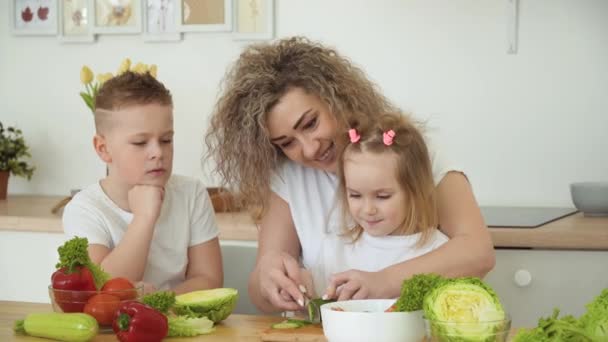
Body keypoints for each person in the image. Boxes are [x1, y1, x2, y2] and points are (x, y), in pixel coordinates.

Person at [205, 36, 494, 313]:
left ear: (336, 97)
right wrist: (270, 279)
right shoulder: (288, 178)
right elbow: (259, 290)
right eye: (287, 143)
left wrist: (383, 282)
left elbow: (477, 251)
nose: (308, 149)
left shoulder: (412, 154)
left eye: (310, 123)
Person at [64, 71, 223, 294]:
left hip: (176, 321)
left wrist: (156, 301)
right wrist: (144, 218)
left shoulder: (191, 192)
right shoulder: (84, 209)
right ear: (103, 148)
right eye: (140, 143)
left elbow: (209, 279)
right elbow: (102, 288)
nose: (158, 152)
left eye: (166, 139)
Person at [305, 113, 449, 300]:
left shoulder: (438, 252)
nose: (368, 210)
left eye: (382, 196)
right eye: (355, 195)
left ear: (414, 191)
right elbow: (316, 316)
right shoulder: (333, 250)